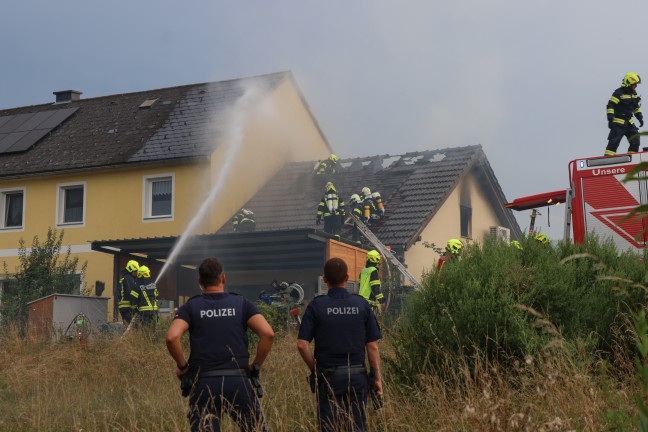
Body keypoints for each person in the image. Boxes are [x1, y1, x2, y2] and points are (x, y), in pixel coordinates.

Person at [165, 257, 275, 432]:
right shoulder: (241, 303)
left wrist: (184, 367)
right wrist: (255, 366)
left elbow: (172, 337)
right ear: (223, 278)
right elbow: (268, 333)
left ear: (200, 281)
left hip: (203, 383)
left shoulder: (191, 307)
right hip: (238, 380)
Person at [297, 257, 383, 432]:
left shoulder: (316, 306)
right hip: (357, 377)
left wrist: (315, 369)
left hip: (328, 377)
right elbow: (372, 346)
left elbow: (302, 345)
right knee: (357, 427)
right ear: (347, 277)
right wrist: (377, 378)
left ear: (325, 279)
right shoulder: (361, 304)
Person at [605, 72, 643, 156]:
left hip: (629, 122)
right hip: (619, 122)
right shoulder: (618, 93)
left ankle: (632, 158)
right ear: (628, 82)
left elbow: (635, 107)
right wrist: (610, 118)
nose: (636, 86)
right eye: (634, 84)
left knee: (635, 140)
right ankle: (608, 160)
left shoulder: (633, 94)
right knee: (614, 142)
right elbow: (610, 105)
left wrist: (640, 117)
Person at [118, 260, 139, 325]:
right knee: (132, 326)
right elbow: (131, 292)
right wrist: (135, 306)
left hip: (123, 307)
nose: (136, 273)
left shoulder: (124, 278)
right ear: (130, 270)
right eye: (135, 271)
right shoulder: (129, 279)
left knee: (127, 326)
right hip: (127, 307)